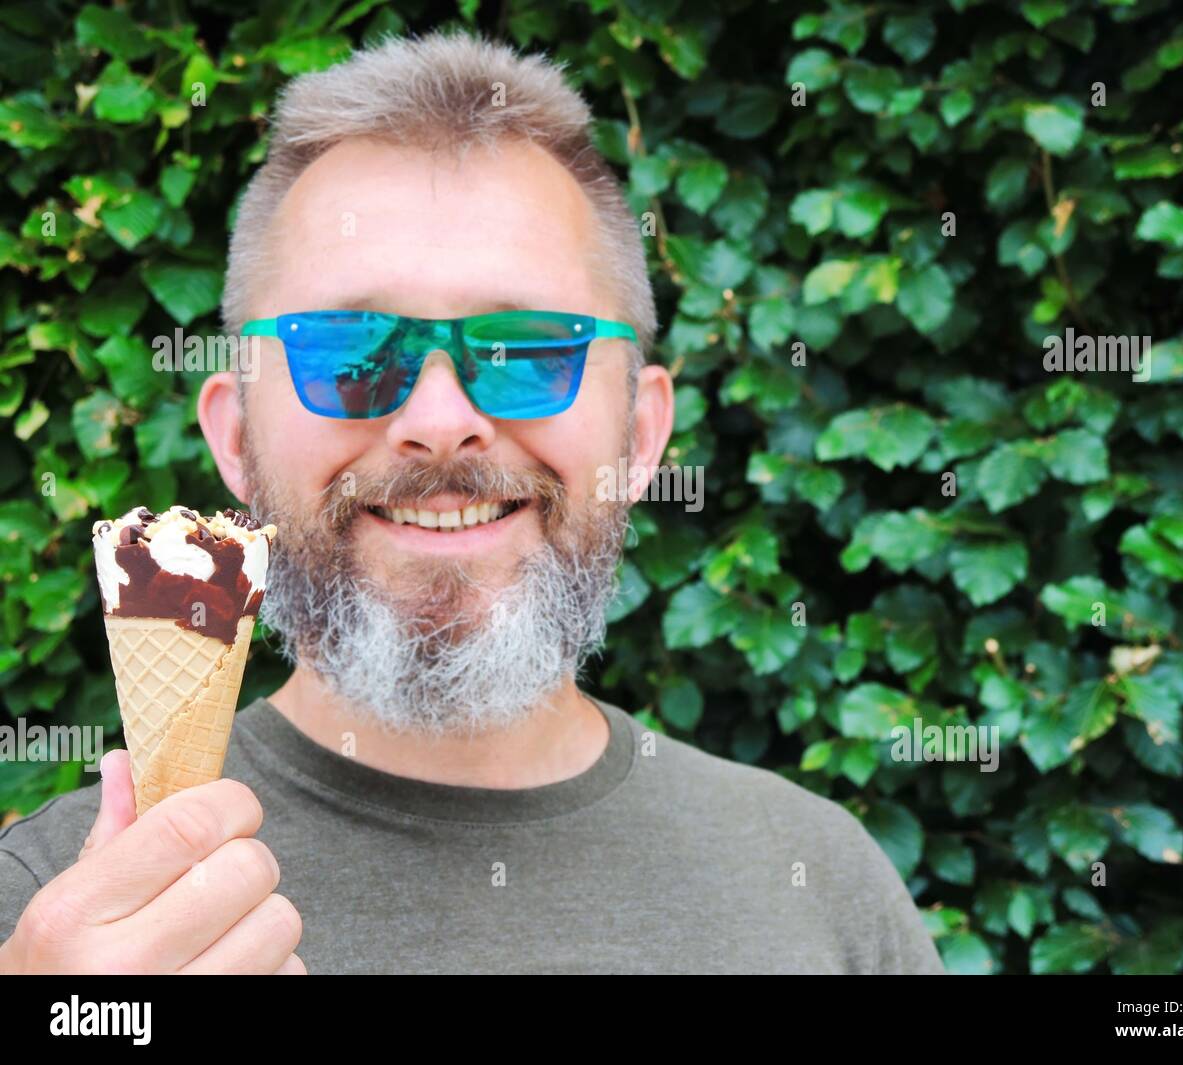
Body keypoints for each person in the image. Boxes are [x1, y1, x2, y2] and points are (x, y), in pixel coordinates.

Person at [0, 31, 944, 975]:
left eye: (533, 348)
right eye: (349, 350)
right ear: (237, 438)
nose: (441, 419)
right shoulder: (54, 906)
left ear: (643, 434)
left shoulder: (824, 885)